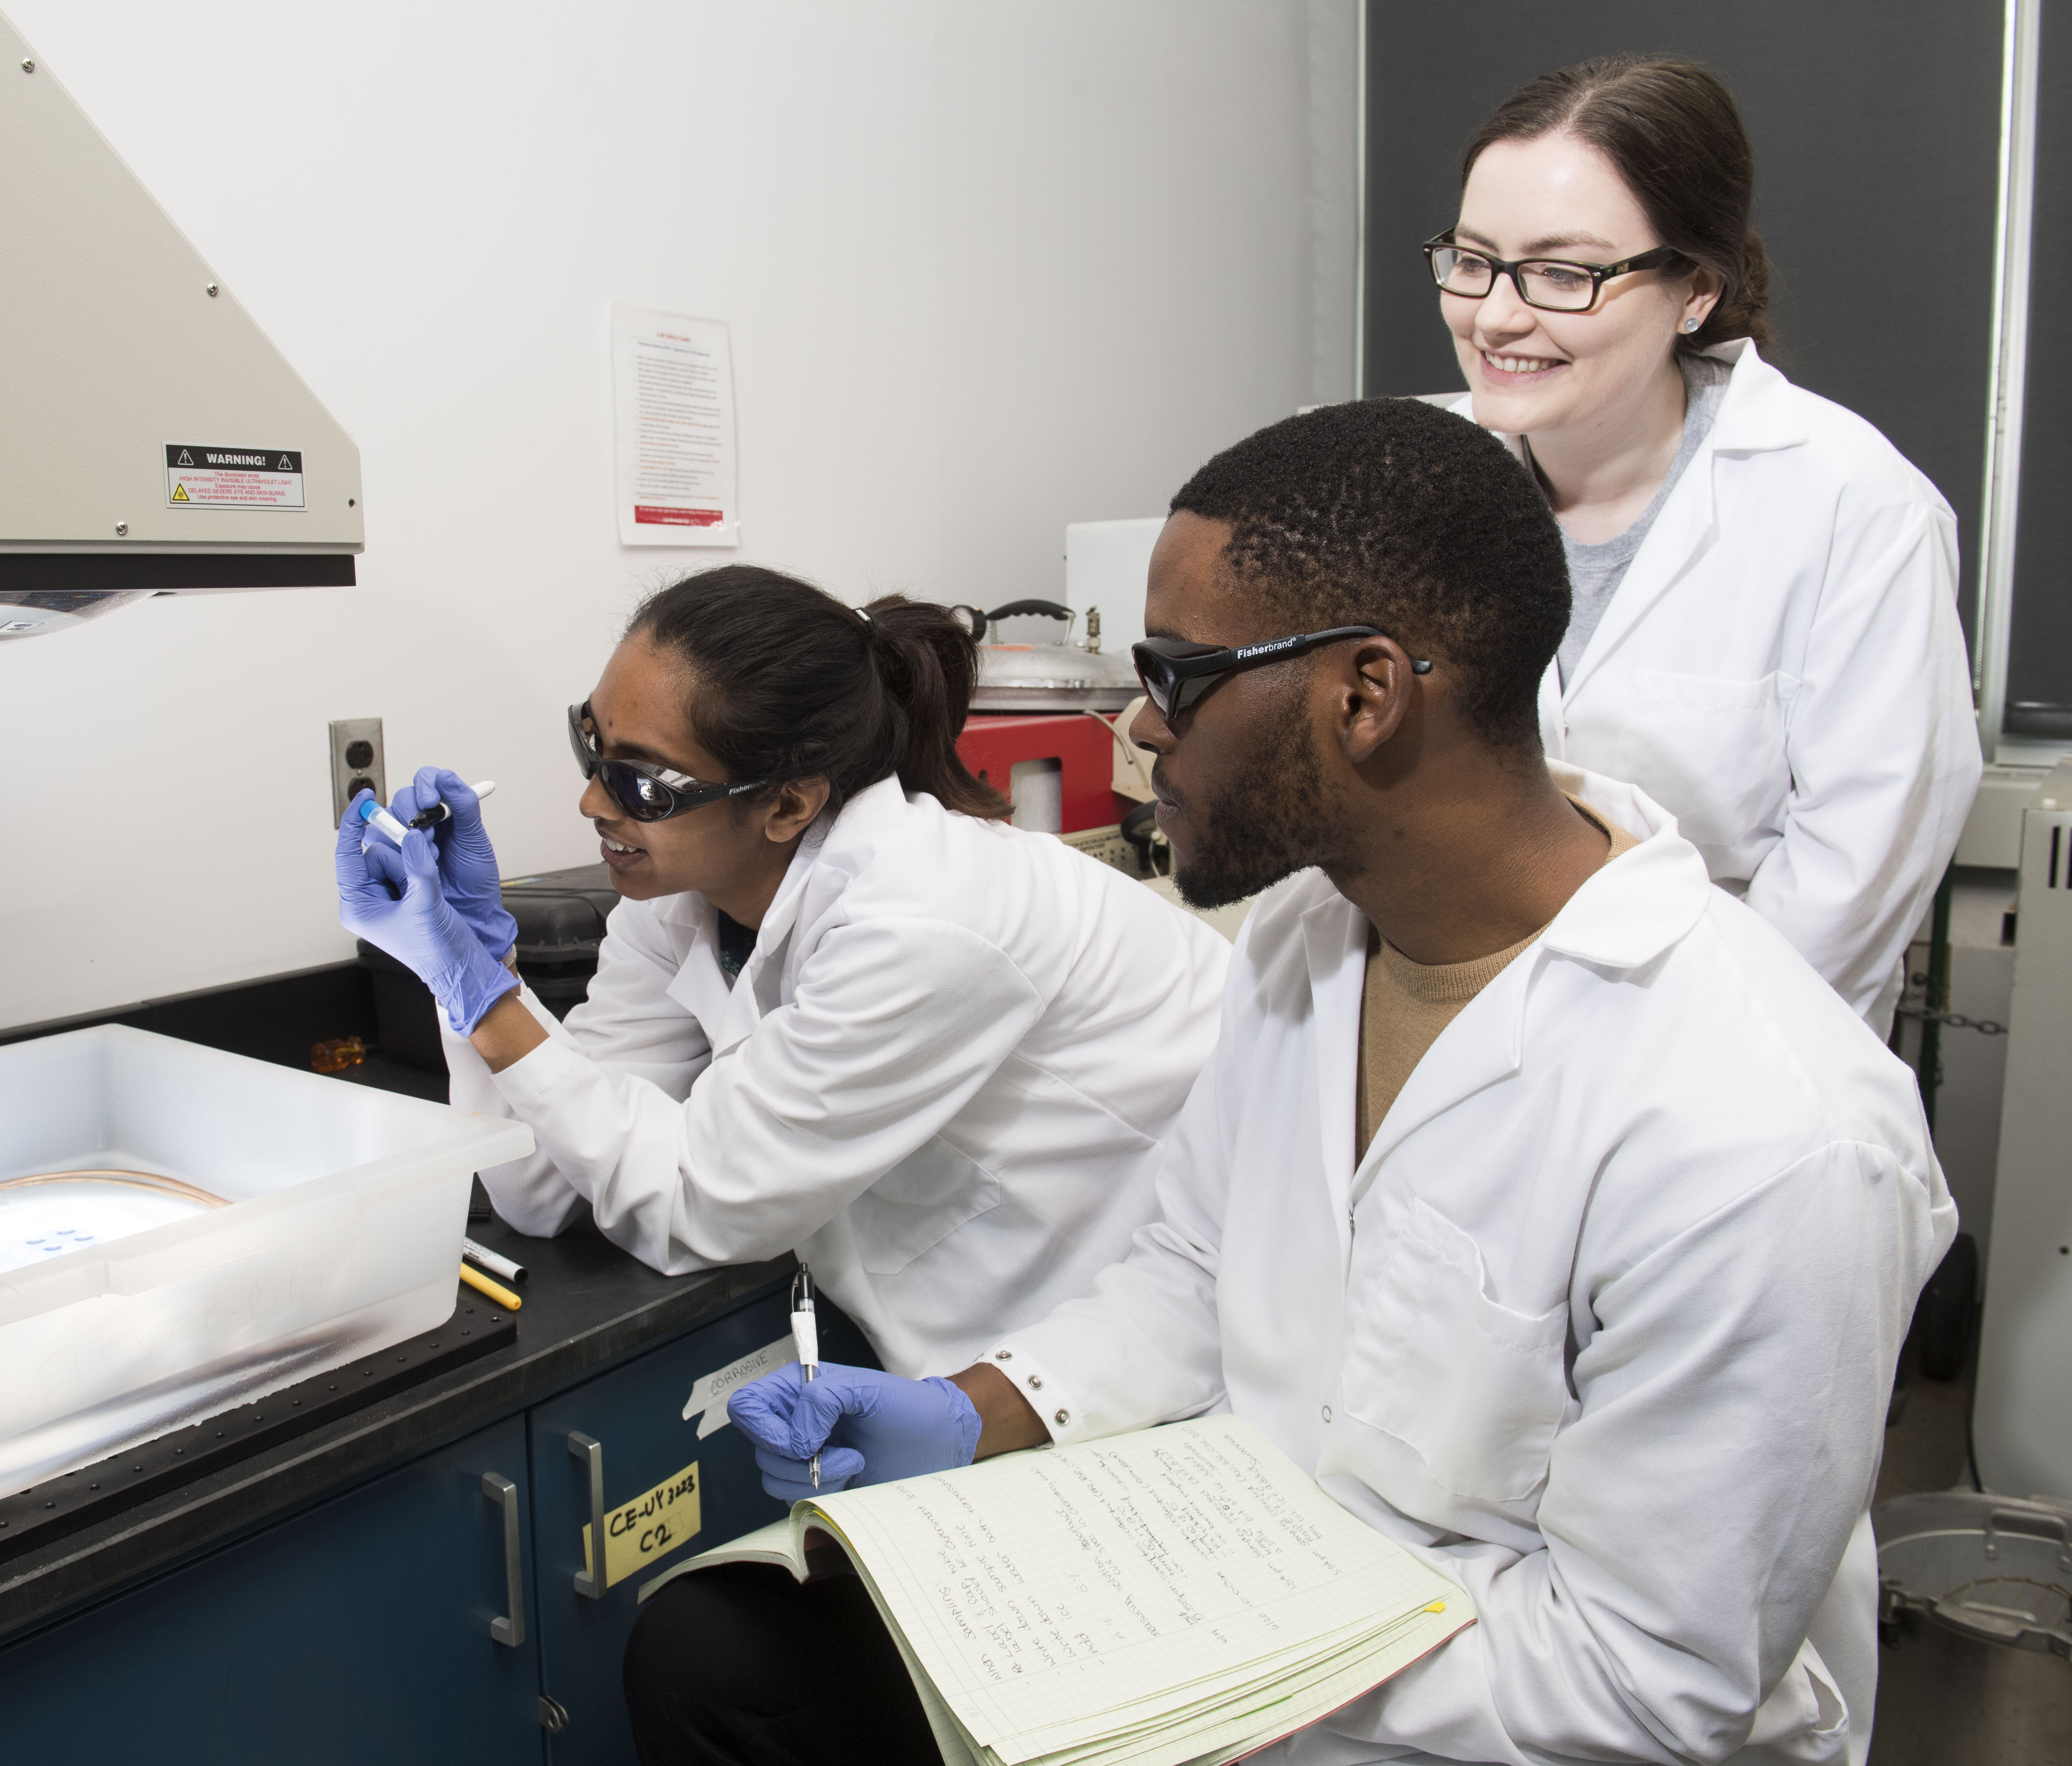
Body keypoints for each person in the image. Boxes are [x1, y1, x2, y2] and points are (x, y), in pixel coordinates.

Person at [641, 401, 1954, 1765]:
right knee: (727, 1657)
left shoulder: (1767, 1138)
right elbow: (1196, 1268)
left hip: (1485, 1718)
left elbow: (1645, 1680)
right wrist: (976, 1411)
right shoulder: (1309, 939)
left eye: (1178, 676)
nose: (1142, 728)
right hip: (1251, 1604)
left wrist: (1208, 1651)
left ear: (1366, 696)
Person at [334, 566, 1231, 1377]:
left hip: (1155, 1324)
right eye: (591, 745)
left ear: (790, 802)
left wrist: (485, 998)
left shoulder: (923, 921)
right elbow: (536, 1187)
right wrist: (478, 960)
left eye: (643, 783)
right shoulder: (678, 900)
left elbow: (698, 1207)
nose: (592, 801)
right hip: (970, 1307)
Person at [1426, 54, 1978, 1035]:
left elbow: (1855, 874)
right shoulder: (1411, 475)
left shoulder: (1852, 504)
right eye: (1474, 260)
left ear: (1696, 290)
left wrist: (1667, 1057)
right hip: (1458, 1019)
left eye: (1564, 273)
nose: (1497, 314)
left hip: (1732, 1055)